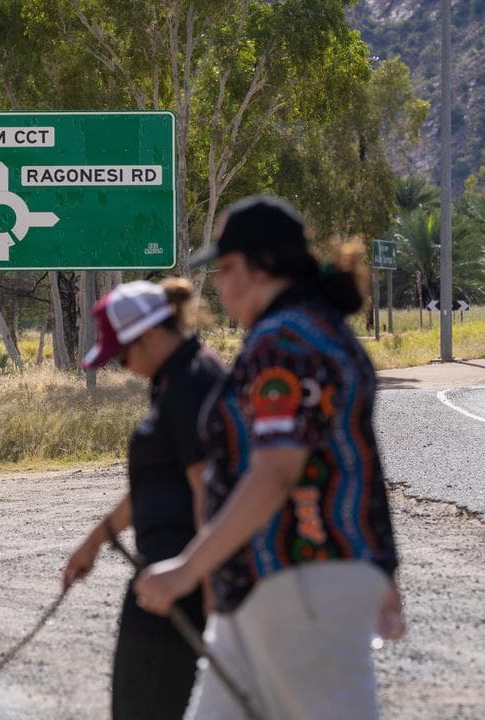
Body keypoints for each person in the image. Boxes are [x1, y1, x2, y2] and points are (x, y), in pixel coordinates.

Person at [134, 195, 404, 720]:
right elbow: (355, 460)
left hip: (302, 580)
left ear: (265, 266)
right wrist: (378, 569)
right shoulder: (308, 330)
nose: (219, 283)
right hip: (271, 582)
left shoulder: (285, 342)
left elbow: (277, 472)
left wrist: (187, 571)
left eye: (227, 267)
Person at [60, 278, 222, 720]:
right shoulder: (172, 380)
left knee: (143, 709)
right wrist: (94, 541)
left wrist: (207, 591)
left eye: (125, 354)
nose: (125, 366)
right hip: (166, 577)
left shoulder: (193, 384)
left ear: (151, 333)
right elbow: (156, 484)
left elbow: (209, 492)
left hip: (176, 582)